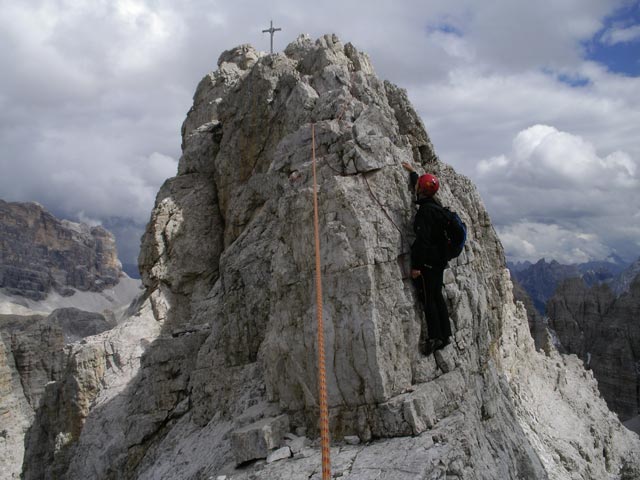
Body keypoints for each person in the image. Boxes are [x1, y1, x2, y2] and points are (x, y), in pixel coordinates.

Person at [402, 162, 452, 355]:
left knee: (429, 299)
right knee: (437, 296)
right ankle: (445, 334)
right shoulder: (435, 206)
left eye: (418, 186)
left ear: (421, 191)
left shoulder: (425, 212)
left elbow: (422, 241)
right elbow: (423, 188)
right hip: (439, 261)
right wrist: (414, 173)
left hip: (428, 263)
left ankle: (434, 338)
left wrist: (416, 266)